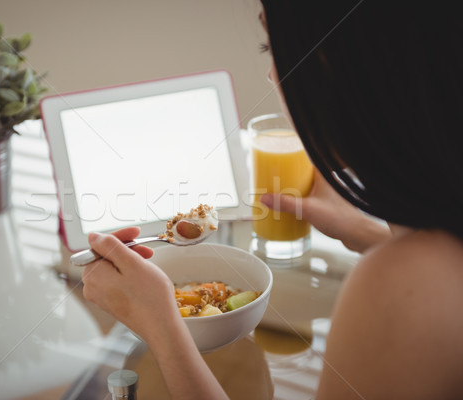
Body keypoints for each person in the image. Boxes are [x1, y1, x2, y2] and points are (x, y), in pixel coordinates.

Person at [81, 1, 463, 398]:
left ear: (339, 64)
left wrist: (161, 326)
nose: (270, 73)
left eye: (272, 47)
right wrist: (369, 235)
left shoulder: (399, 288)